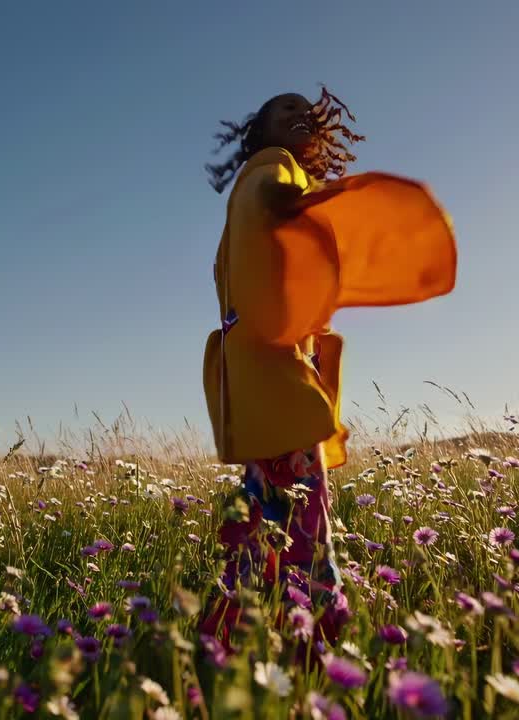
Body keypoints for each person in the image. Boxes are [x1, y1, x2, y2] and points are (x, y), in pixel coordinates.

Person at [197, 88, 458, 656]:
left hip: (255, 380)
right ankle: (314, 638)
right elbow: (273, 199)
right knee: (304, 523)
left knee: (262, 517)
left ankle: (224, 634)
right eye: (284, 109)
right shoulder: (272, 173)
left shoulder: (254, 197)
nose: (300, 115)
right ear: (261, 132)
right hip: (277, 383)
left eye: (305, 112)